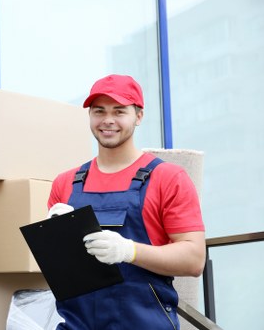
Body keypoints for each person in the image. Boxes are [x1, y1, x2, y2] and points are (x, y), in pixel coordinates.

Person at [47, 74, 206, 329]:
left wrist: (129, 251)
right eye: (99, 111)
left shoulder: (167, 178)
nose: (108, 120)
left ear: (138, 116)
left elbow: (194, 259)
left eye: (119, 111)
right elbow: (62, 273)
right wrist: (54, 240)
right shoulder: (64, 184)